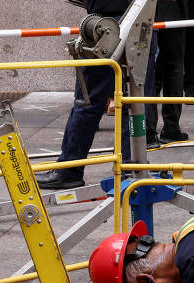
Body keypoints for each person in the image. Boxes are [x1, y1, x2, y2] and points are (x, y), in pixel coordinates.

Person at [36, 0, 135, 190]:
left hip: (109, 26)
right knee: (132, 104)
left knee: (88, 102)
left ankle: (70, 170)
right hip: (135, 25)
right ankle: (130, 169)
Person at [145, 0, 194, 146]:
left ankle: (148, 130)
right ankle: (170, 128)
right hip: (172, 10)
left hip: (145, 10)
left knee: (151, 70)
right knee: (173, 68)